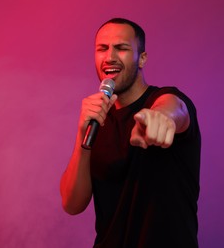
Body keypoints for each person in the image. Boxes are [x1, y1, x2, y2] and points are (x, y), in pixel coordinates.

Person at [60, 18, 201, 247]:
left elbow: (175, 109)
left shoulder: (164, 99)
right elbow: (72, 204)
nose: (110, 57)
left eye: (121, 48)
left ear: (142, 58)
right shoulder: (98, 120)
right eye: (102, 49)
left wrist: (160, 118)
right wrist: (81, 136)